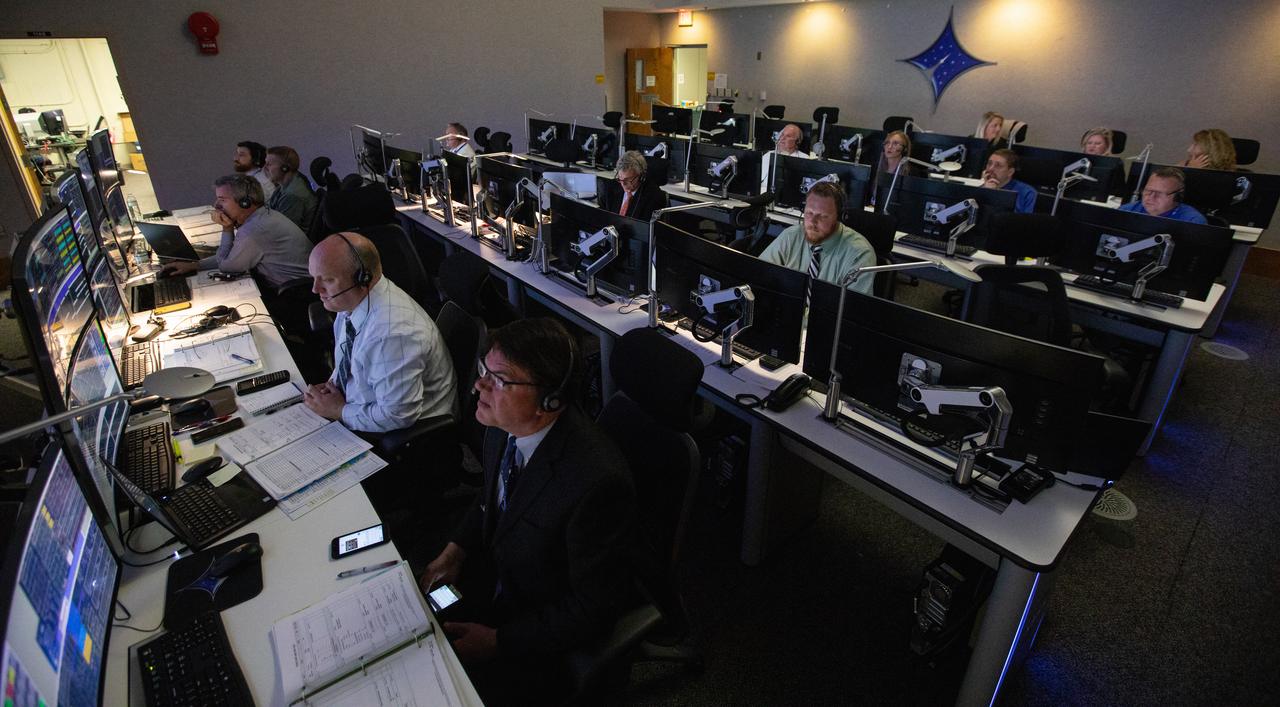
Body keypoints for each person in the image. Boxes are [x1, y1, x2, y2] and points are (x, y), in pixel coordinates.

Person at [420, 317, 636, 705]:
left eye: (500, 380)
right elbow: (490, 496)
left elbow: (592, 607)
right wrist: (456, 549)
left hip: (534, 627)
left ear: (549, 401)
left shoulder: (596, 482)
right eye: (484, 369)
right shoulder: (499, 427)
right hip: (497, 575)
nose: (478, 385)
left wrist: (499, 643)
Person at [303, 232, 457, 434]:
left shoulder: (393, 332)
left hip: (404, 437)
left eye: (328, 280)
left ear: (362, 278)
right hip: (361, 406)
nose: (315, 289)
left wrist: (338, 410)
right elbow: (351, 362)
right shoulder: (350, 304)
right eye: (314, 278)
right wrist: (333, 388)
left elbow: (397, 415)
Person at [159, 174, 312, 292]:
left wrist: (227, 229)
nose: (216, 205)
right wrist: (194, 265)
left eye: (222, 200)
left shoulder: (255, 230)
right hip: (295, 286)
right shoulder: (263, 215)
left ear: (244, 202)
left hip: (295, 295)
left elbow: (227, 266)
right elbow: (231, 257)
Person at [760, 180, 876, 295]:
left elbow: (852, 309)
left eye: (823, 216)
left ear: (839, 217)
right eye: (809, 213)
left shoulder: (859, 254)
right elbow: (759, 274)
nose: (812, 222)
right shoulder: (791, 236)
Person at [1118, 167, 1207, 224]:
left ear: (1177, 196)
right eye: (1148, 191)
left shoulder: (1193, 221)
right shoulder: (1126, 211)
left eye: (1159, 193)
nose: (1151, 197)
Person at [597, 150, 667, 220]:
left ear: (641, 176)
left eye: (628, 180)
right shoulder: (611, 187)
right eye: (620, 178)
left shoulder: (655, 197)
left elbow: (647, 228)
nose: (623, 184)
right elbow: (600, 216)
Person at [263, 145, 318, 232]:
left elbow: (281, 231)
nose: (265, 168)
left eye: (269, 164)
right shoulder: (284, 186)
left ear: (285, 168)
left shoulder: (292, 195)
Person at [980, 149, 1037, 213]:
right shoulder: (981, 188)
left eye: (998, 165)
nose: (990, 168)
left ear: (1010, 172)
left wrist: (994, 195)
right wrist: (985, 191)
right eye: (989, 163)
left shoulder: (1027, 193)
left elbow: (1024, 220)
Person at [761, 123, 812, 192]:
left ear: (797, 141)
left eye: (788, 136)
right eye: (782, 135)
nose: (782, 138)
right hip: (763, 194)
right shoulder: (768, 154)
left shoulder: (804, 159)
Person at [870, 130, 916, 204]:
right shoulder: (875, 168)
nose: (889, 147)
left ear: (905, 149)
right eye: (887, 143)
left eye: (895, 144)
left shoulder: (911, 173)